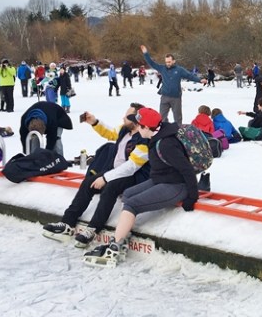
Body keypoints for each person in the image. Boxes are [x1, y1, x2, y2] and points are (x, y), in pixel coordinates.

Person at [83, 108, 198, 266]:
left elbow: (187, 170)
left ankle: (114, 247)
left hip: (176, 185)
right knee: (128, 194)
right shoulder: (154, 135)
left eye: (138, 125)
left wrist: (192, 197)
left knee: (131, 204)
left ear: (146, 128)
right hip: (161, 179)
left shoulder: (166, 144)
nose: (136, 128)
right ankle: (122, 236)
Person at [42, 103, 151, 247]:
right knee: (89, 182)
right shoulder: (125, 130)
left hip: (134, 176)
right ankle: (68, 223)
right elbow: (110, 133)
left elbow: (131, 167)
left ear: (137, 119)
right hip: (115, 171)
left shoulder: (144, 140)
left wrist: (106, 178)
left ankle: (93, 228)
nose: (123, 118)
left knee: (110, 188)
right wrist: (94, 122)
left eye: (127, 116)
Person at [140, 45, 206, 125]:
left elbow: (189, 76)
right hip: (164, 96)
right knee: (162, 117)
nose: (167, 63)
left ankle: (178, 133)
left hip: (176, 97)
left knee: (177, 118)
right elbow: (151, 63)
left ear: (174, 61)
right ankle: (165, 132)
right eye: (166, 62)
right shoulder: (162, 68)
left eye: (169, 62)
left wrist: (199, 80)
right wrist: (145, 53)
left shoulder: (179, 70)